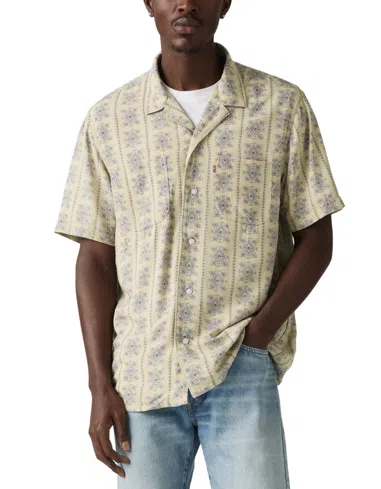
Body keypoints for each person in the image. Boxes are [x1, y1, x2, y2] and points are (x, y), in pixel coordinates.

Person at [54, 1, 345, 487]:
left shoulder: (281, 106)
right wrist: (99, 384)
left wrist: (257, 336)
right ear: (149, 3)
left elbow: (316, 236)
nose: (185, 4)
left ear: (225, 2)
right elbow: (96, 258)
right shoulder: (110, 120)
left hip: (240, 363)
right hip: (142, 376)